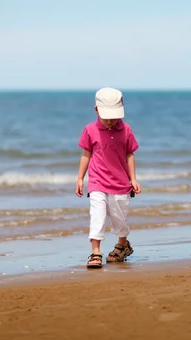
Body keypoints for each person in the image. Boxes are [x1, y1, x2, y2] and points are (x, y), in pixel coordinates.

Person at [75, 87, 141, 269]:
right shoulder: (90, 130)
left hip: (120, 183)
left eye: (114, 118)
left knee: (119, 217)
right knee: (97, 215)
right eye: (107, 118)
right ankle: (95, 252)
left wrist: (133, 179)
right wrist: (81, 178)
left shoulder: (126, 130)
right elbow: (86, 154)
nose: (111, 122)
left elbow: (130, 155)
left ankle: (122, 244)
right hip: (97, 182)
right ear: (96, 110)